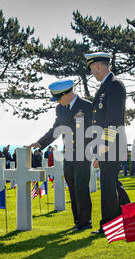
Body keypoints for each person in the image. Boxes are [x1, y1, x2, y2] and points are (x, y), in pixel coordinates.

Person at [29, 79, 93, 231]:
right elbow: (55, 130)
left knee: (81, 187)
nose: (57, 101)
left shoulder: (87, 106)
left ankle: (85, 222)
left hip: (84, 153)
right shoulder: (60, 109)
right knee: (71, 187)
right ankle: (78, 221)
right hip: (68, 153)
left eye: (58, 98)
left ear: (68, 94)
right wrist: (39, 143)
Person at [85, 52, 131, 234]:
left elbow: (114, 119)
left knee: (107, 184)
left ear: (97, 66)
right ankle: (130, 216)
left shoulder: (114, 85)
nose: (92, 72)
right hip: (105, 143)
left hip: (111, 143)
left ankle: (109, 225)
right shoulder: (105, 86)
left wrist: (104, 144)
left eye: (92, 68)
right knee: (112, 182)